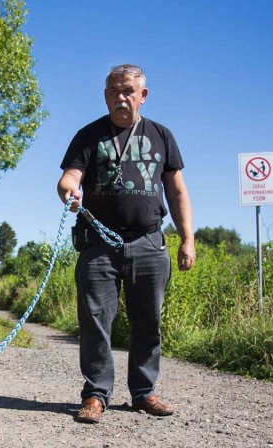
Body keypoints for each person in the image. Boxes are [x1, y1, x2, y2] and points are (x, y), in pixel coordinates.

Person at [57, 64, 196, 423]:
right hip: (98, 243)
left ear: (142, 95)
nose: (121, 97)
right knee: (95, 320)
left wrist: (187, 240)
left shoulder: (161, 135)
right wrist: (67, 189)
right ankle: (96, 395)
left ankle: (144, 393)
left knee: (148, 320)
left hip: (149, 241)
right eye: (114, 91)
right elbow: (70, 175)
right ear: (106, 96)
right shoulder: (89, 136)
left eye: (128, 91)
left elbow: (177, 191)